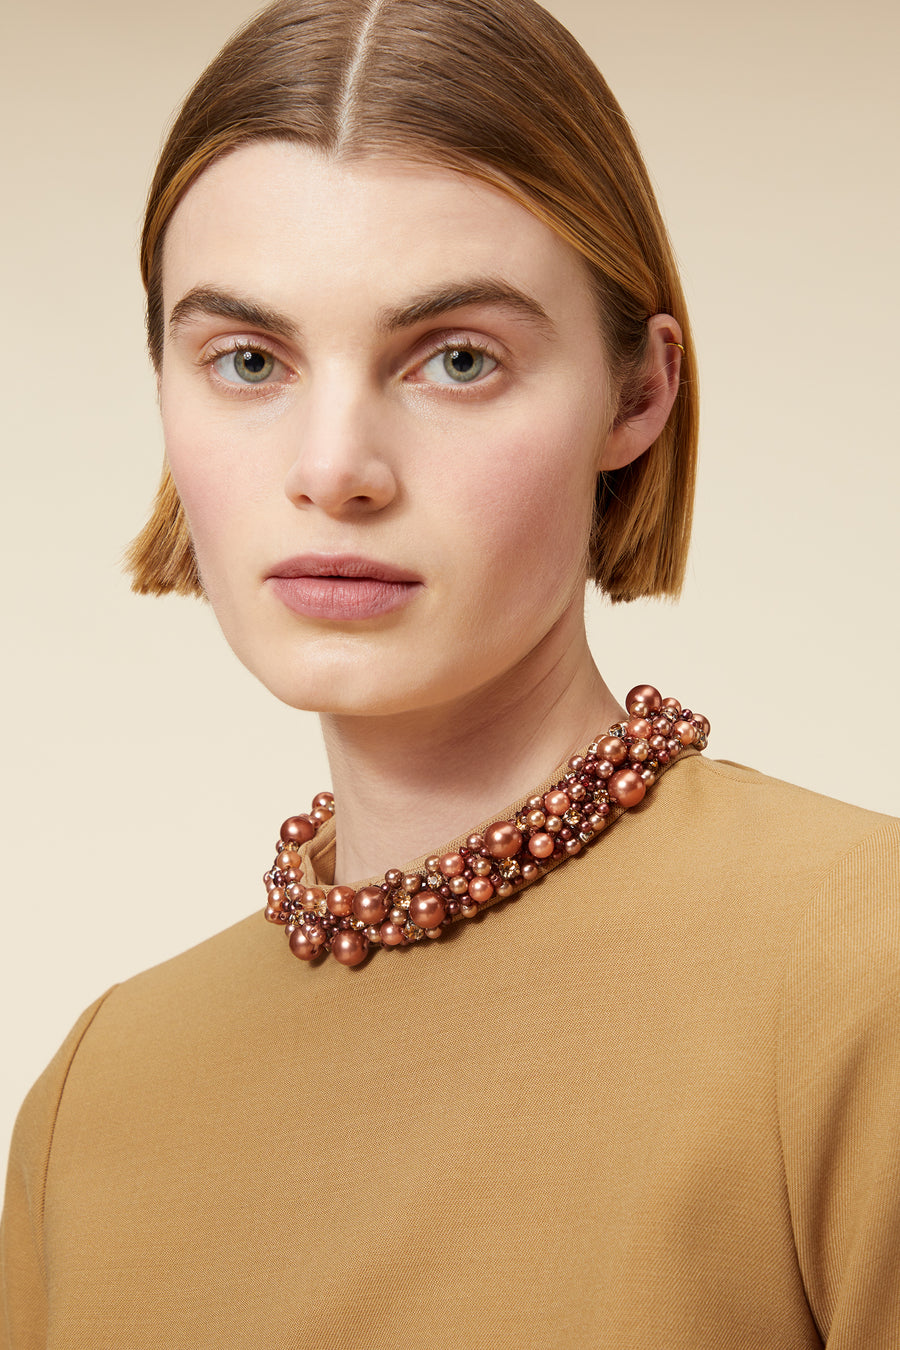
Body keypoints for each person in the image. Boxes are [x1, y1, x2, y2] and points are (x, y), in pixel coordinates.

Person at [1, 0, 898, 1346]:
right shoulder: (96, 1102)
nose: (334, 466)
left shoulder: (860, 969)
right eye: (249, 361)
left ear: (637, 393)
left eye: (457, 359)